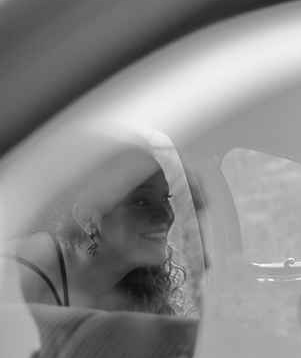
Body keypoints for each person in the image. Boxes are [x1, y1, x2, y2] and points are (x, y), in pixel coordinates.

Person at [2, 134, 185, 315]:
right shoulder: (17, 272)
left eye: (165, 198)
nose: (166, 215)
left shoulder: (146, 289)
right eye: (142, 201)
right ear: (87, 217)